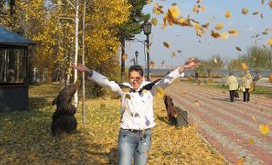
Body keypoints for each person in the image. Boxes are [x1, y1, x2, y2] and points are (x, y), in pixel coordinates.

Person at [72, 58, 200, 165]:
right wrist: (89, 71)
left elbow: (167, 80)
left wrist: (184, 67)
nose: (134, 81)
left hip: (144, 136)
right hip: (126, 135)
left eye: (137, 78)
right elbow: (107, 83)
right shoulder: (124, 88)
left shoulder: (150, 88)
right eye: (132, 78)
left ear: (142, 77)